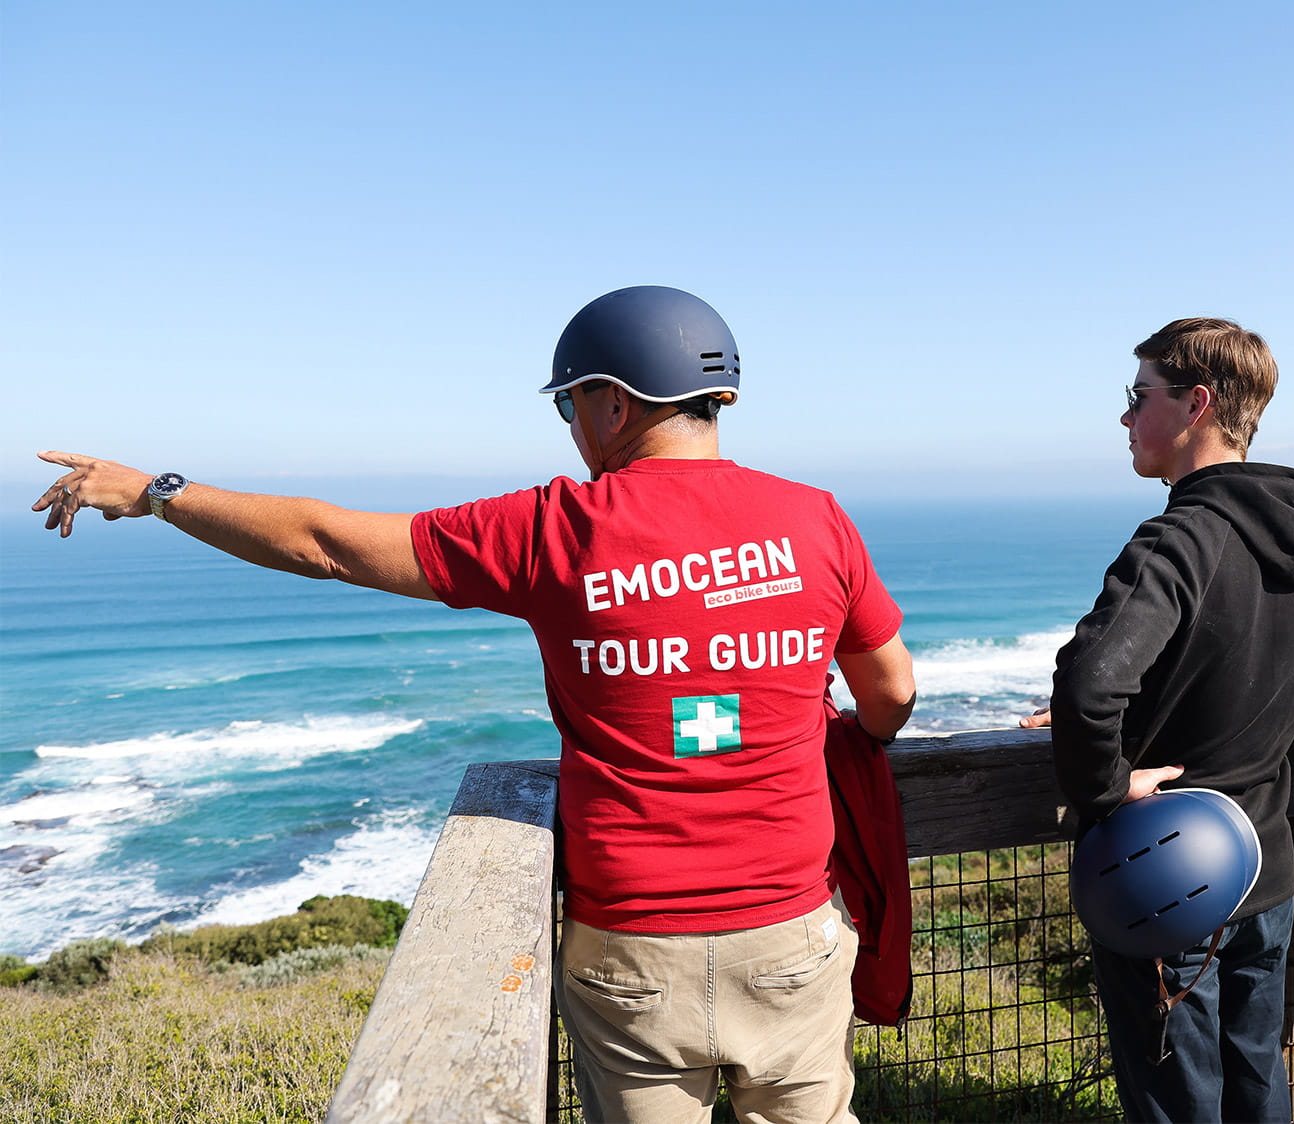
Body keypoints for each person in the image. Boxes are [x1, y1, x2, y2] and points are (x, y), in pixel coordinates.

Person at [33, 285, 917, 1124]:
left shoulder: (553, 529)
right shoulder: (816, 519)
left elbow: (325, 543)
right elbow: (891, 696)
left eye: (568, 404)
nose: (571, 426)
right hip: (793, 931)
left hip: (633, 944)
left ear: (613, 402)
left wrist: (160, 492)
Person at [1021, 317, 1294, 1122]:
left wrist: (1105, 783)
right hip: (1263, 868)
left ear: (1196, 404)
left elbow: (1091, 682)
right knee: (1259, 1087)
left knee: (1177, 1105)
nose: (1126, 417)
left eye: (1138, 397)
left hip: (1167, 879)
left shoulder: (1177, 539)